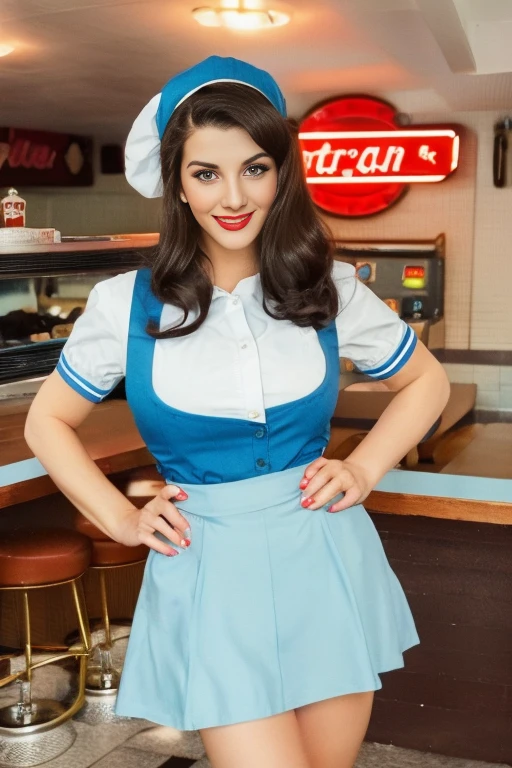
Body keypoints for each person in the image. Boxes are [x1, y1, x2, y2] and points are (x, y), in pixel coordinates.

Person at [24, 56, 450, 768]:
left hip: (324, 554)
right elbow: (47, 421)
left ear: (282, 174)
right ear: (176, 185)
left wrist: (366, 466)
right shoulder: (123, 305)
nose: (232, 196)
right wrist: (121, 518)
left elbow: (425, 380)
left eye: (254, 168)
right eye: (205, 173)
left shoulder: (329, 287)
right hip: (211, 570)